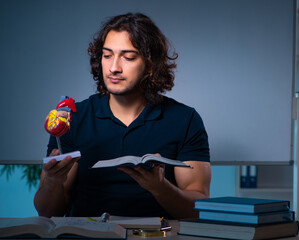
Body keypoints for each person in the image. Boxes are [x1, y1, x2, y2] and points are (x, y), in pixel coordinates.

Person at [34, 13, 211, 219]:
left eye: (128, 57)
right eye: (107, 55)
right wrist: (53, 181)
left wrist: (160, 188)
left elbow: (198, 209)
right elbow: (47, 211)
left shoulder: (185, 119)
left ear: (151, 65)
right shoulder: (72, 118)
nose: (114, 68)